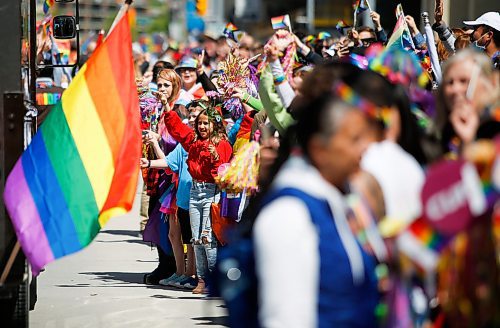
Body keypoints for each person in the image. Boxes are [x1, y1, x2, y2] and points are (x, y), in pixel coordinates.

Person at [252, 68, 379, 327]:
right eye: (354, 139)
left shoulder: (343, 197)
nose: (366, 147)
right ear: (320, 149)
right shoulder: (289, 214)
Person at [161, 99, 232, 294]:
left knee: (208, 237)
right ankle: (202, 280)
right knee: (196, 238)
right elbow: (178, 130)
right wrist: (167, 108)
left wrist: (215, 158)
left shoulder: (222, 144)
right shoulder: (193, 141)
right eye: (199, 123)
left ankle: (214, 279)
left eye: (205, 123)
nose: (201, 126)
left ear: (214, 124)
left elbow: (221, 175)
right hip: (194, 192)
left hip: (211, 192)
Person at [437, 48, 500, 155]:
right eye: (450, 82)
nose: (455, 89)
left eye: (464, 81)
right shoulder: (435, 137)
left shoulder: (496, 132)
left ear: (489, 84)